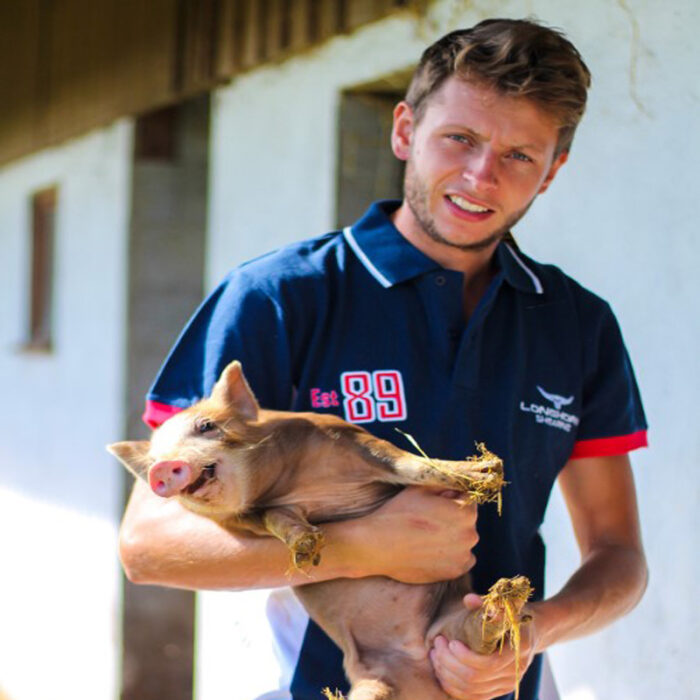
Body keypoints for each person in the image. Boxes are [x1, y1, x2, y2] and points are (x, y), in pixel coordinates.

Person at [119, 18, 648, 700]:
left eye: (520, 155)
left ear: (552, 172)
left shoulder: (578, 323)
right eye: (460, 139)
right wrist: (362, 546)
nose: (481, 176)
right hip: (331, 685)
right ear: (404, 131)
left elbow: (620, 555)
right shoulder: (279, 297)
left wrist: (532, 630)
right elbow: (148, 546)